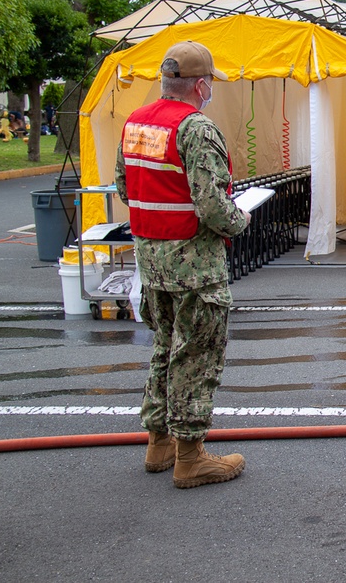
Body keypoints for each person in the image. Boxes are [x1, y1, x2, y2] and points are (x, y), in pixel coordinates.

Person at [114, 40, 250, 489]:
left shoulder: (135, 122)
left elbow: (123, 185)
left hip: (152, 260)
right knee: (196, 355)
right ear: (200, 84)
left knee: (164, 347)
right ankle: (190, 457)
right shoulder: (196, 129)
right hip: (195, 264)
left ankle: (159, 443)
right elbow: (214, 207)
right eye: (210, 82)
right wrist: (242, 218)